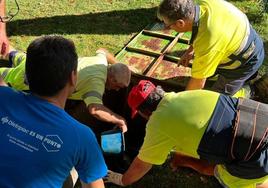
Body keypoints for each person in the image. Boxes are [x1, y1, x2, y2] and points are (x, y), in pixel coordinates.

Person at [105, 80, 268, 188]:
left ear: (143, 111)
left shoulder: (158, 123)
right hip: (261, 116)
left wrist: (122, 180)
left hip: (254, 152)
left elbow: (142, 164)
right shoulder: (190, 94)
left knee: (229, 178)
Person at [0, 35, 107, 188]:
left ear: (27, 77)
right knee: (73, 170)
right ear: (73, 78)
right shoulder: (82, 137)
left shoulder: (3, 96)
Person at [0, 47, 131, 133]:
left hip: (41, 62)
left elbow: (102, 50)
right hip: (31, 80)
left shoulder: (101, 61)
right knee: (7, 75)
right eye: (118, 86)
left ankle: (8, 52)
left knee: (18, 57)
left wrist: (119, 65)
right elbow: (95, 110)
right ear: (112, 79)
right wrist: (119, 119)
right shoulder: (96, 83)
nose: (117, 90)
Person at [157, 0, 264, 96]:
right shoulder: (206, 4)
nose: (167, 28)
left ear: (180, 23)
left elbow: (197, 84)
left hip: (246, 62)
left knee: (216, 97)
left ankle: (248, 90)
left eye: (168, 25)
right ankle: (247, 76)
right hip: (243, 40)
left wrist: (180, 102)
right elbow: (199, 29)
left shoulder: (208, 42)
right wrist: (190, 50)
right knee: (209, 72)